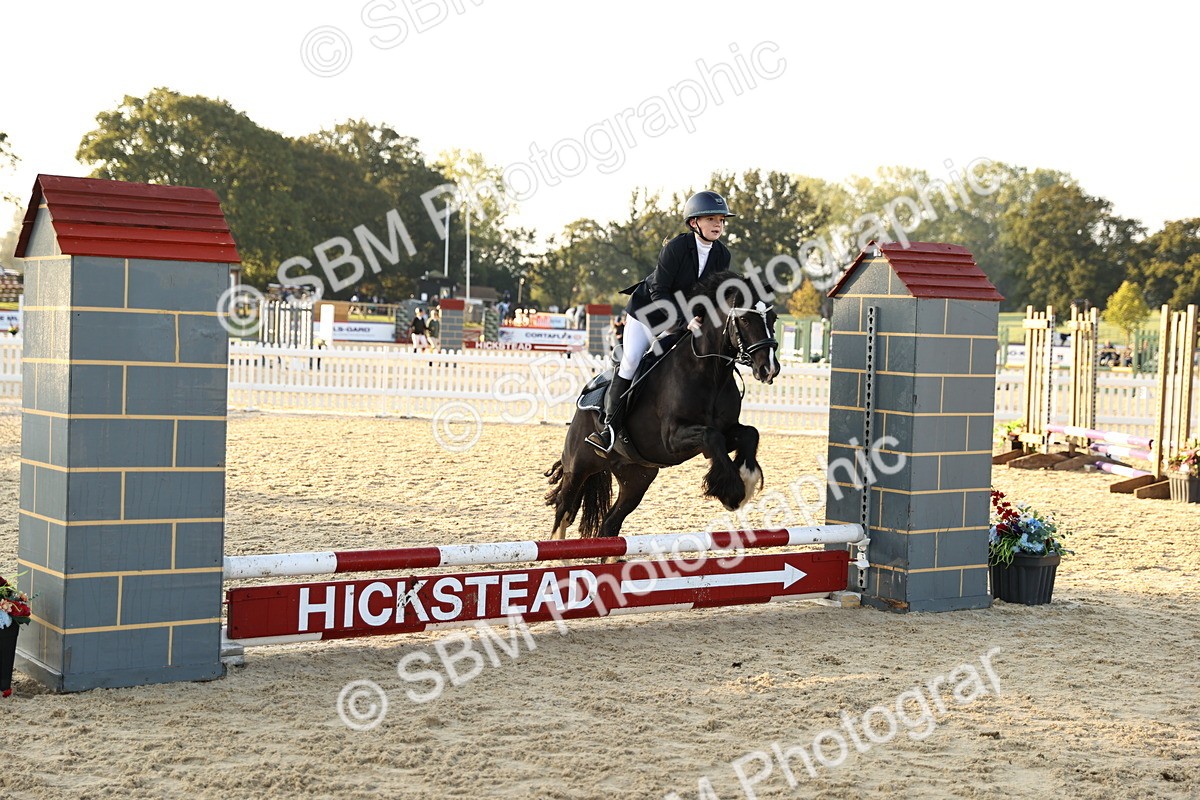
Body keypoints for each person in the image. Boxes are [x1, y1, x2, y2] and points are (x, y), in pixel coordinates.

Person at [585, 190, 735, 454]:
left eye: (721, 220)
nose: (718, 225)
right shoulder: (677, 248)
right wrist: (682, 320)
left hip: (685, 319)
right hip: (649, 312)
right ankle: (608, 427)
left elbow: (712, 294)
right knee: (632, 359)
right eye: (711, 219)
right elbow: (660, 291)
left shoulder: (722, 255)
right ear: (693, 223)